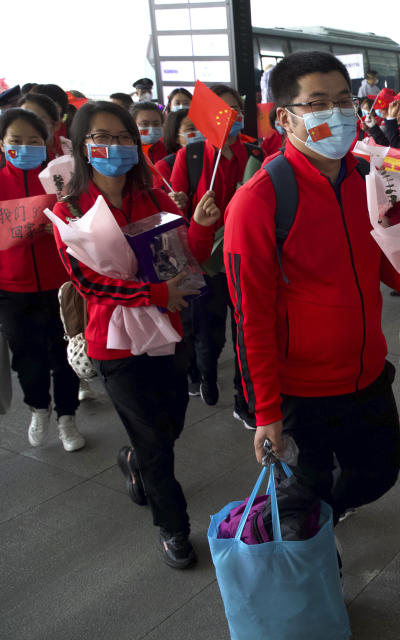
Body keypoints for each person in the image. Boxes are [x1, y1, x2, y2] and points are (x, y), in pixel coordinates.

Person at [225, 51, 400, 541]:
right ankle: (315, 546)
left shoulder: (370, 179)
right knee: (307, 491)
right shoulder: (260, 199)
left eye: (345, 100)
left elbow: (380, 254)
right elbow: (251, 318)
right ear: (284, 117)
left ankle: (322, 510)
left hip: (368, 370)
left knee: (380, 472)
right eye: (319, 103)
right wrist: (265, 411)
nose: (338, 112)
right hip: (300, 391)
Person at [50, 100, 220, 568]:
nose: (115, 146)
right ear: (83, 147)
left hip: (169, 333)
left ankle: (133, 459)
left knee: (171, 426)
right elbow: (88, 282)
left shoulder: (157, 198)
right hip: (114, 343)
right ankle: (174, 528)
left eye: (123, 137)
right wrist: (154, 294)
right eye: (102, 137)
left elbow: (186, 257)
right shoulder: (68, 209)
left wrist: (203, 229)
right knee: (155, 445)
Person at [170, 84, 259, 424]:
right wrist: (181, 205)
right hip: (204, 262)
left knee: (246, 334)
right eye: (221, 109)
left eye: (235, 109)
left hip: (245, 260)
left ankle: (244, 397)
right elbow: (175, 212)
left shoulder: (256, 153)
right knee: (208, 334)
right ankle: (206, 373)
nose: (229, 116)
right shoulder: (190, 157)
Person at [0, 108, 84, 451]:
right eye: (15, 141)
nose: (25, 147)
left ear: (46, 142)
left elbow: (82, 220)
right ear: (2, 144)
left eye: (33, 141)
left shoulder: (59, 178)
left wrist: (63, 225)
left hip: (58, 283)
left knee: (64, 351)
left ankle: (67, 416)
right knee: (25, 356)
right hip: (11, 287)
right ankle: (39, 408)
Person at [17, 93, 63, 158]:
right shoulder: (12, 153)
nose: (27, 127)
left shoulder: (70, 151)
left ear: (56, 125)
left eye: (36, 121)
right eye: (22, 121)